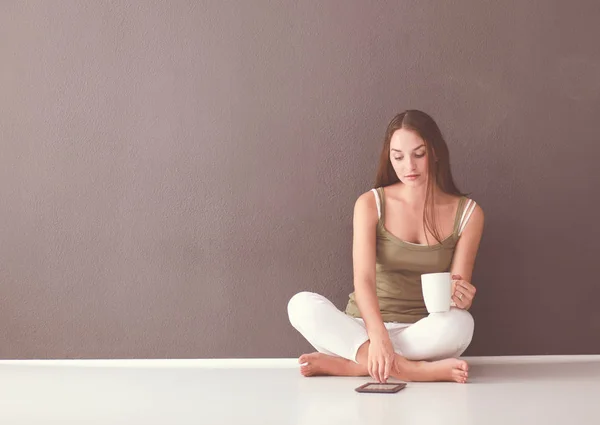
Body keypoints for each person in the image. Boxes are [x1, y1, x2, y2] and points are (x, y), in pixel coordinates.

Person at [287, 110, 484, 384]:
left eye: (419, 154)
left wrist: (461, 296)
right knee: (300, 305)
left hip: (420, 331)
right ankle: (411, 370)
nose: (409, 166)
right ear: (389, 158)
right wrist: (377, 336)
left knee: (462, 324)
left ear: (436, 152)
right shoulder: (370, 204)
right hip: (362, 328)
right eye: (398, 157)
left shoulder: (469, 214)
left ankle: (355, 365)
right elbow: (363, 280)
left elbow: (455, 288)